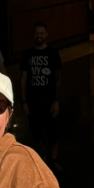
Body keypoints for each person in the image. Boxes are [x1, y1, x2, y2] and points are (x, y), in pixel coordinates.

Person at [20, 21, 64, 169]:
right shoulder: (27, 55)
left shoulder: (53, 54)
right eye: (36, 33)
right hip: (33, 101)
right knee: (37, 132)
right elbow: (23, 79)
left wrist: (56, 101)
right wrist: (24, 101)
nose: (39, 36)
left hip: (49, 100)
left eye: (41, 33)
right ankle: (43, 161)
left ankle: (55, 160)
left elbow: (58, 79)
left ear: (46, 35)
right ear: (33, 35)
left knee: (53, 131)